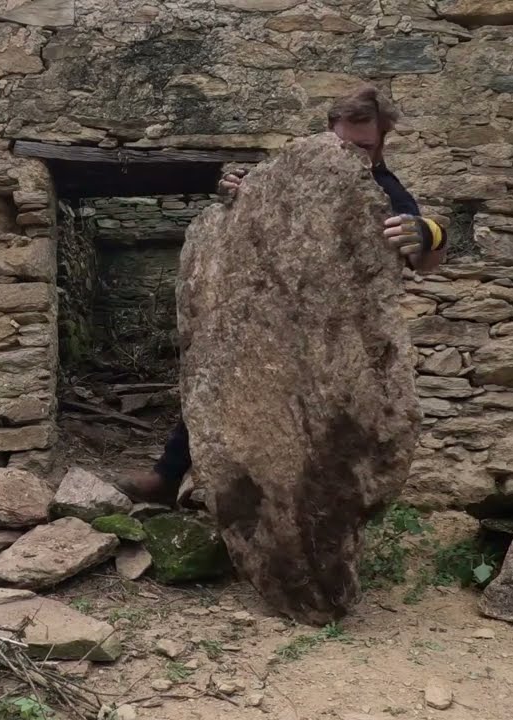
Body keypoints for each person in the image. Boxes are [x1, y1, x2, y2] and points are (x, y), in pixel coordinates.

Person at [116, 84, 449, 505]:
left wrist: (428, 235)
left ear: (383, 139)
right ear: (330, 131)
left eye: (364, 146)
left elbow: (426, 263)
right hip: (265, 314)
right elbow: (235, 221)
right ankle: (169, 476)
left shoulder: (387, 189)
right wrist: (234, 192)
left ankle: (311, 508)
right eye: (344, 143)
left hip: (333, 332)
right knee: (214, 383)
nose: (352, 155)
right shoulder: (292, 168)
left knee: (321, 421)